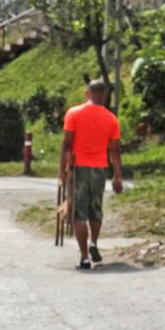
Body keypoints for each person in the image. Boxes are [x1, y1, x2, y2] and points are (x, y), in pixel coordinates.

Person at [60, 79, 124, 270]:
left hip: (78, 166)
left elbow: (66, 144)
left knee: (79, 213)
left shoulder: (74, 113)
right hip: (100, 168)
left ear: (87, 94)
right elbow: (115, 150)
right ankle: (94, 242)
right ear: (103, 96)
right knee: (95, 209)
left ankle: (84, 257)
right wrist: (117, 176)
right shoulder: (111, 119)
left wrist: (62, 171)